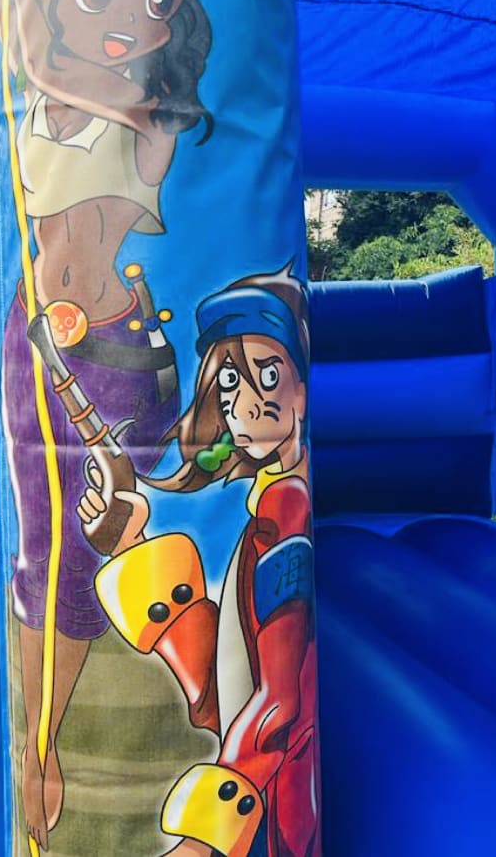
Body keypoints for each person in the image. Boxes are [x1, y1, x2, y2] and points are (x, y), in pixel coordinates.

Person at [0, 0, 212, 847]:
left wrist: (54, 2)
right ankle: (43, 752)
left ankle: (185, 713)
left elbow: (76, 71)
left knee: (91, 551)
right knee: (39, 548)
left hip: (116, 352)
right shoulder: (32, 100)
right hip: (35, 331)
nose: (132, 14)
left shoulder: (150, 115)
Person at [80, 266, 321, 857]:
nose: (245, 403)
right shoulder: (269, 510)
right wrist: (131, 544)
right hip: (268, 802)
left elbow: (278, 703)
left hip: (272, 809)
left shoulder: (286, 519)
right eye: (231, 380)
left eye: (269, 375)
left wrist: (202, 840)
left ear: (302, 390)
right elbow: (224, 684)